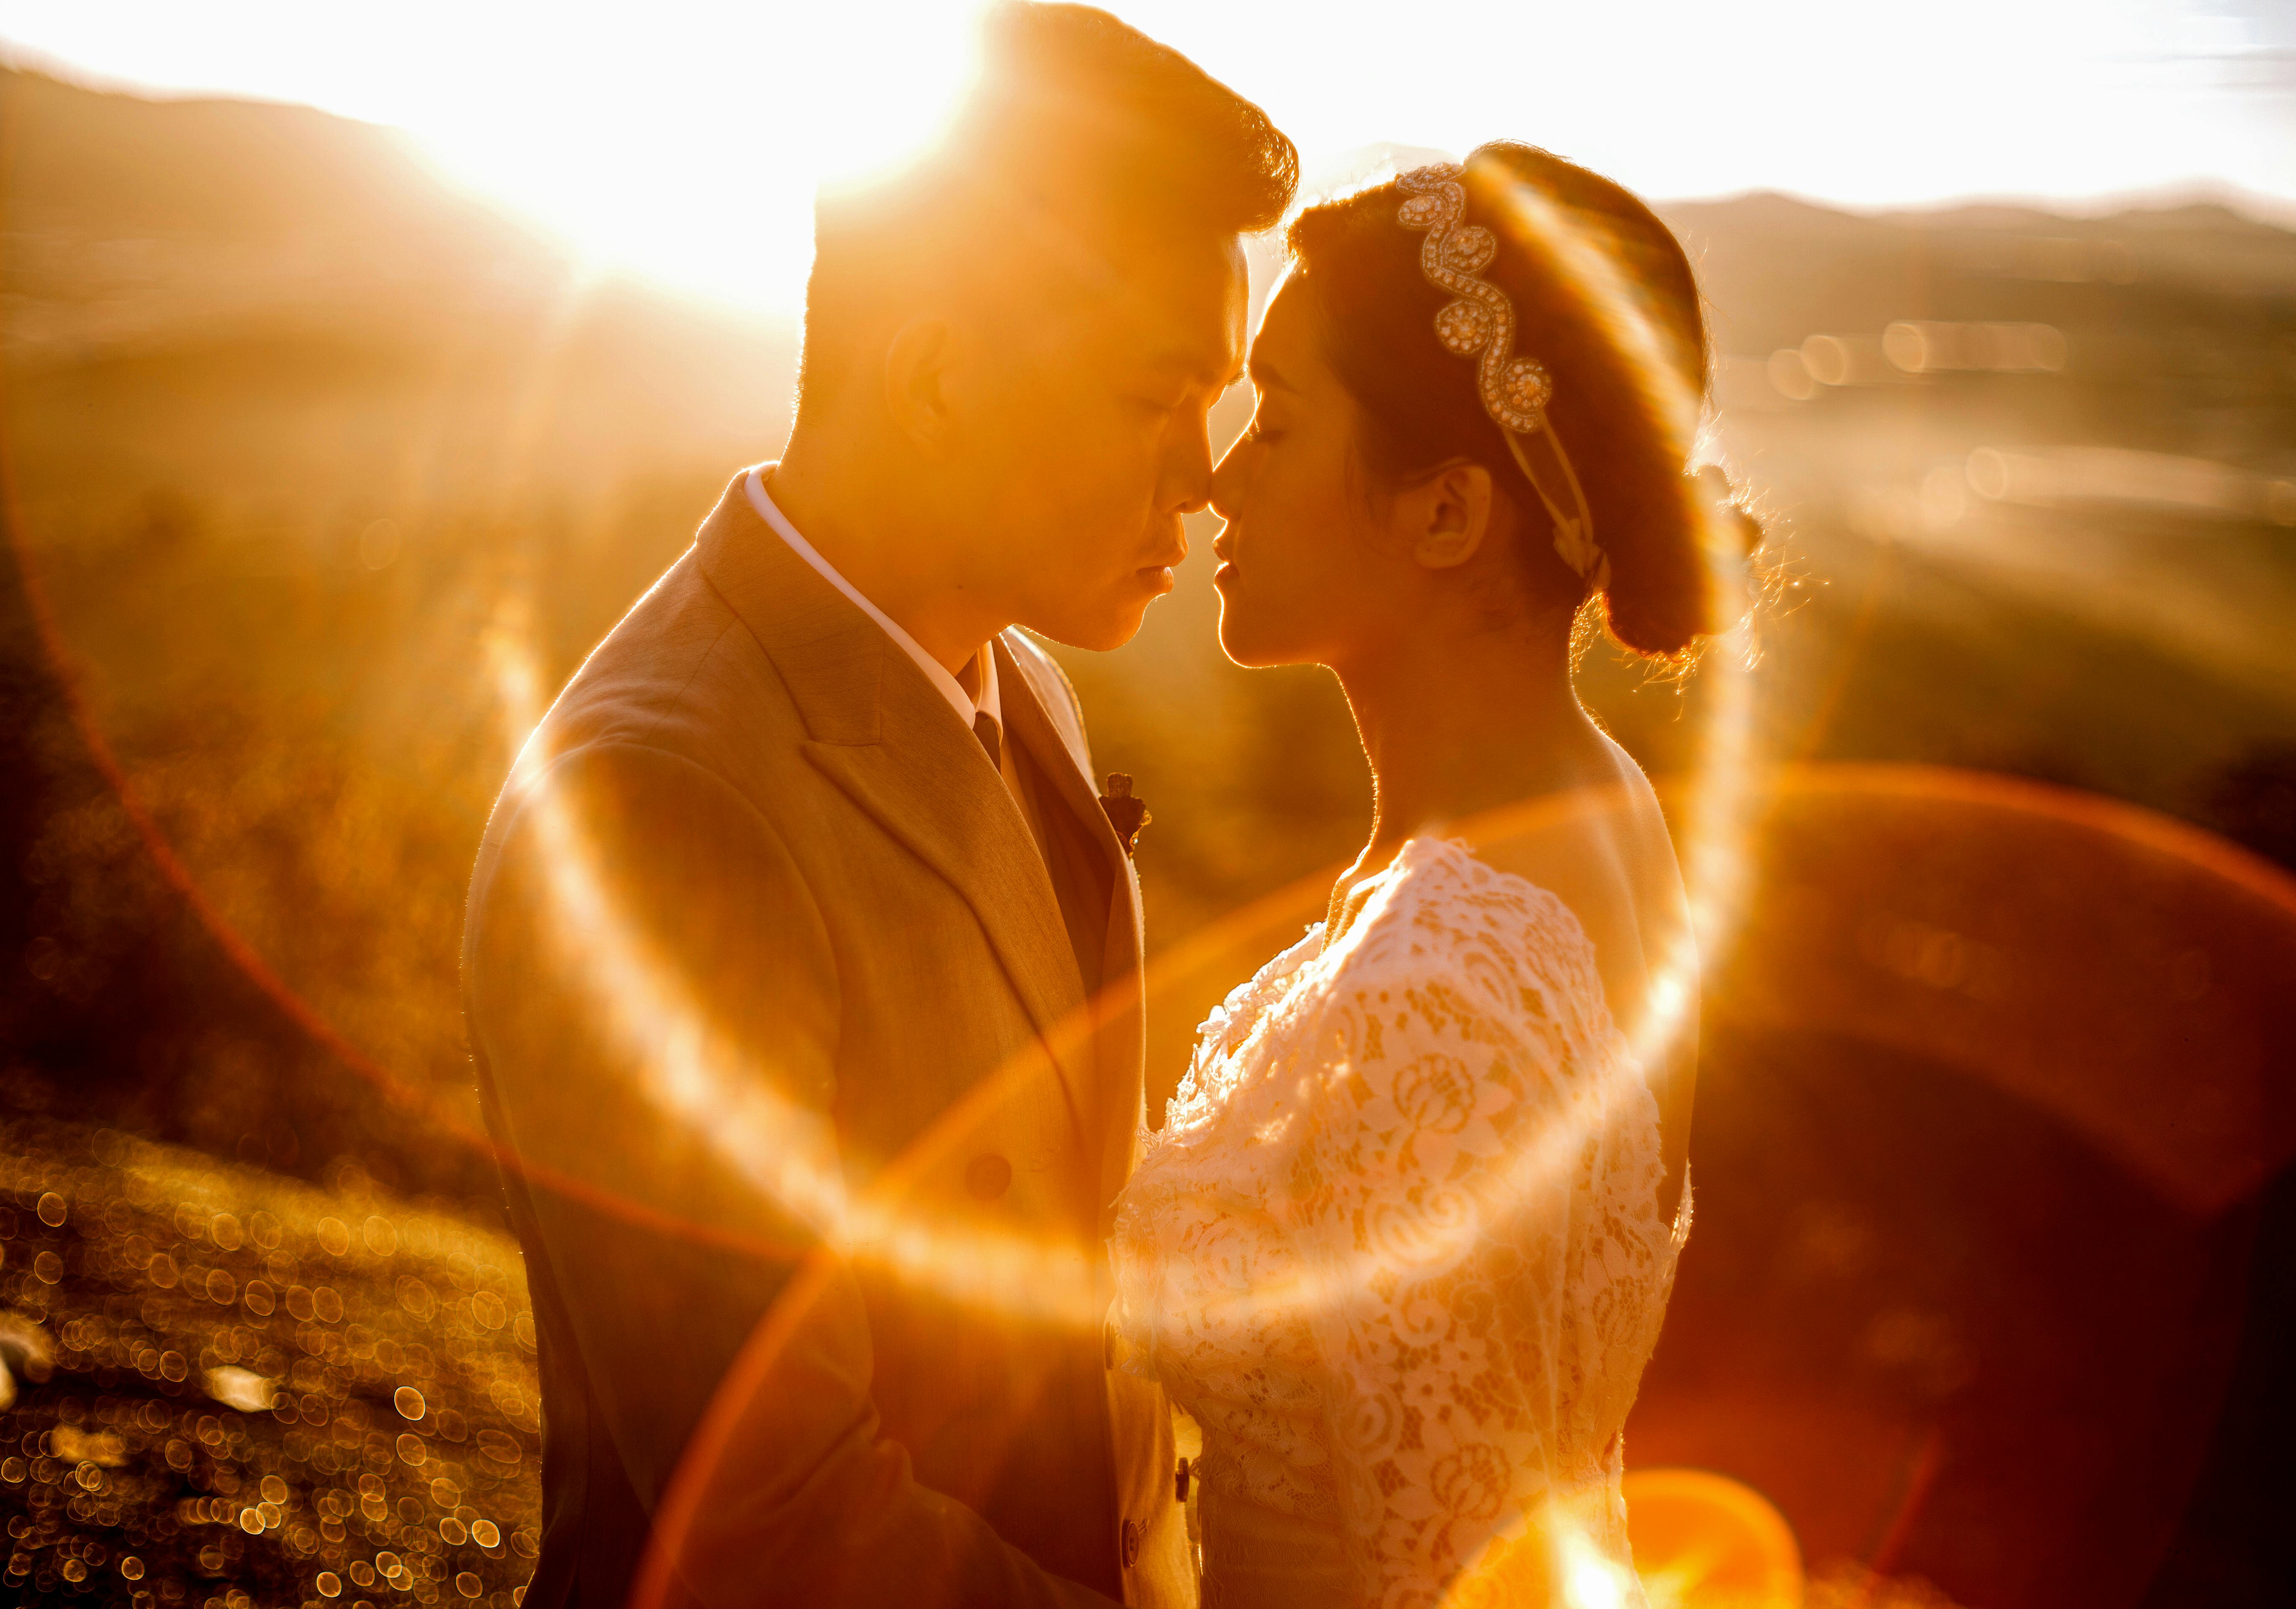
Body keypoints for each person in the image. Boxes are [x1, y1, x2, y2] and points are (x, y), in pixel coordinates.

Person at [460, 7, 1295, 1606]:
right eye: (1154, 394)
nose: (1205, 473)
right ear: (930, 377)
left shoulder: (1014, 675)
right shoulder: (660, 797)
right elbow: (772, 1520)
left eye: (1227, 395)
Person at [1110, 144, 1753, 1609]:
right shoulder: (1605, 811)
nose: (1214, 477)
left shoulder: (1434, 990)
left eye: (1274, 422)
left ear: (1449, 514)